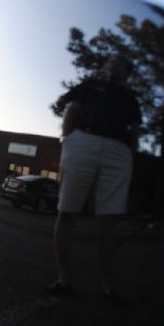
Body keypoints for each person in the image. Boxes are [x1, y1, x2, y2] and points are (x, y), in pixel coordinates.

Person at [47, 55, 141, 303]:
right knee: (67, 210)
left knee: (107, 218)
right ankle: (64, 279)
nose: (113, 65)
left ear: (127, 72)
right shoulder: (89, 86)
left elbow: (134, 129)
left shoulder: (130, 98)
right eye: (110, 62)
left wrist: (130, 155)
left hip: (118, 150)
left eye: (120, 63)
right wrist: (67, 140)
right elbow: (71, 109)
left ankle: (107, 285)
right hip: (83, 142)